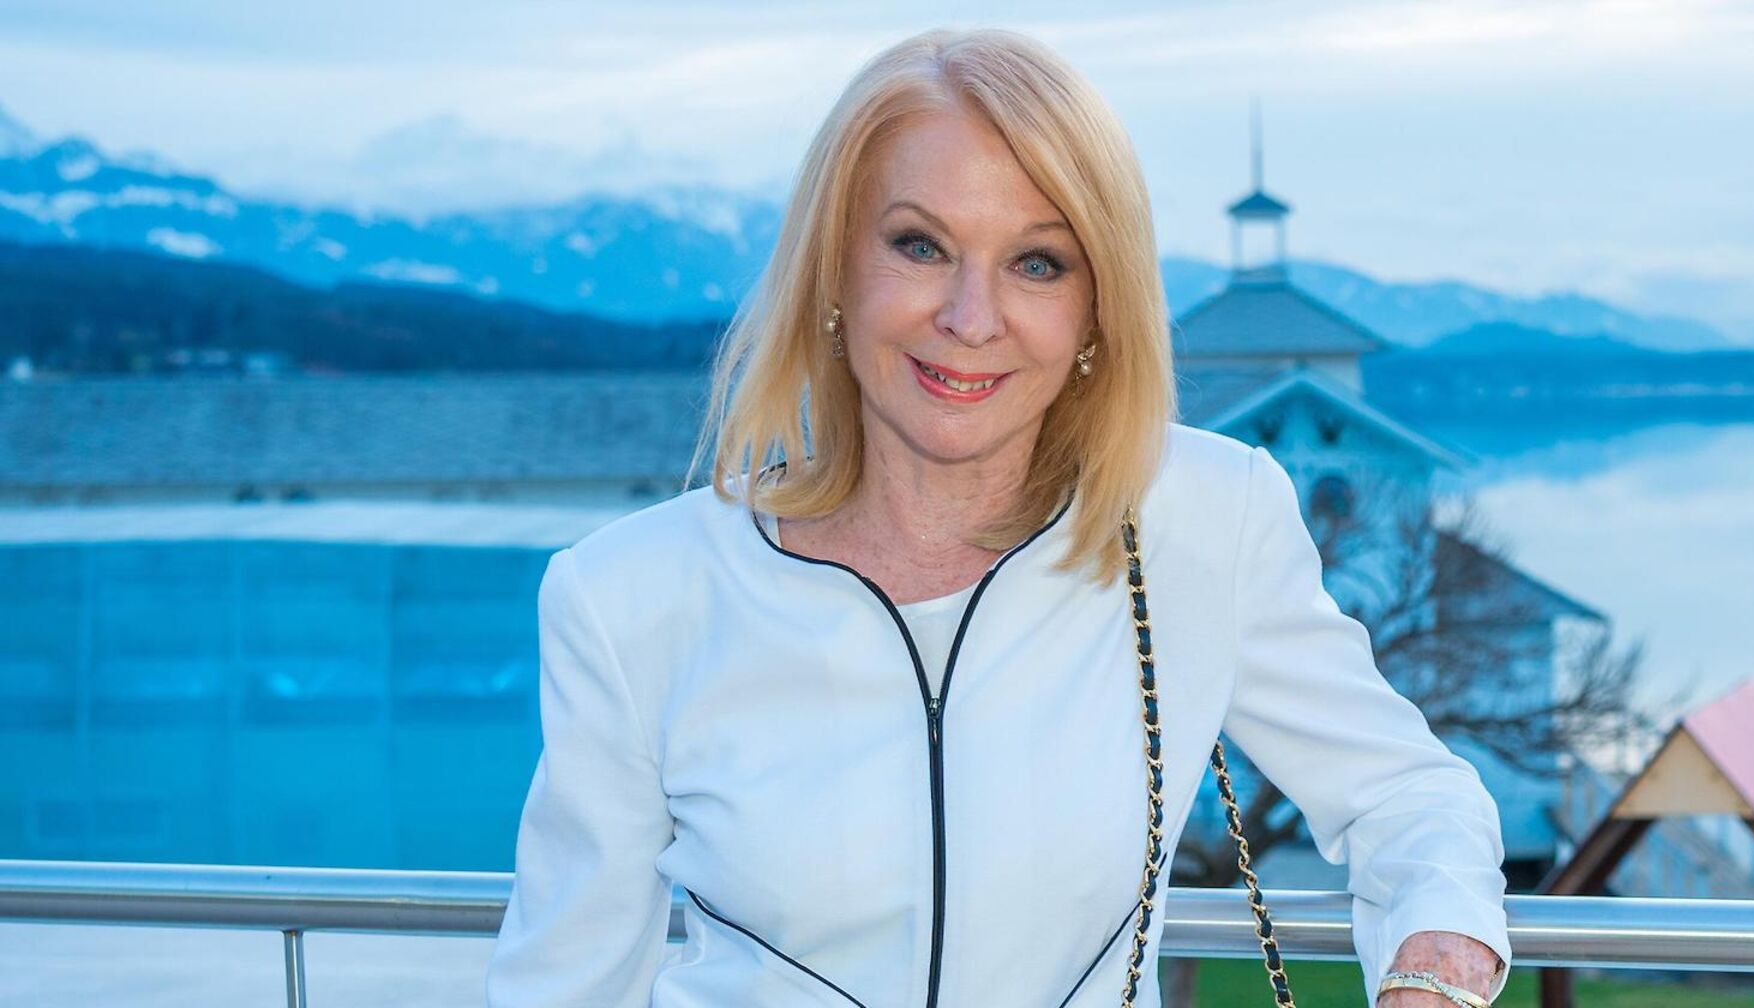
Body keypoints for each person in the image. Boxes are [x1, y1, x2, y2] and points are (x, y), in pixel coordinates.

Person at [485, 26, 1511, 1008]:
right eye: (920, 245)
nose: (971, 320)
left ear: (1095, 312)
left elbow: (1411, 798)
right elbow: (567, 979)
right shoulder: (630, 596)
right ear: (834, 272)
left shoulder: (1204, 519)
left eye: (1037, 263)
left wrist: (1434, 964)